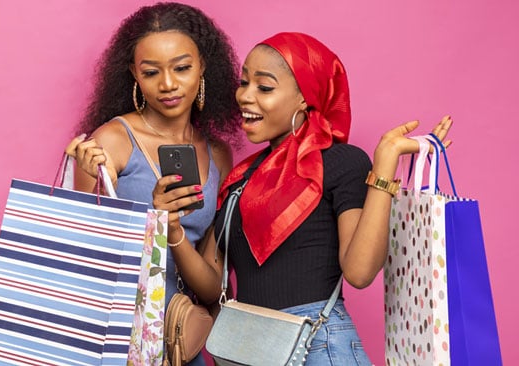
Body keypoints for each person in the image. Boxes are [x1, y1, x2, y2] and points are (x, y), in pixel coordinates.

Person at [150, 32, 452, 365]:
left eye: (264, 87)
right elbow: (211, 286)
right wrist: (173, 229)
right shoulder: (239, 180)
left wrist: (385, 162)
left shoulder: (340, 162)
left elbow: (360, 272)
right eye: (244, 83)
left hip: (318, 347)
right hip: (249, 348)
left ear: (304, 99)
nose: (245, 96)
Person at [65, 3, 240, 365]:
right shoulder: (112, 141)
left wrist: (171, 228)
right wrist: (93, 188)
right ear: (134, 73)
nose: (168, 84)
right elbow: (83, 259)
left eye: (182, 68)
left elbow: (212, 288)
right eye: (151, 72)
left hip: (179, 339)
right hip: (116, 341)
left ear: (203, 65)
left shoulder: (218, 155)